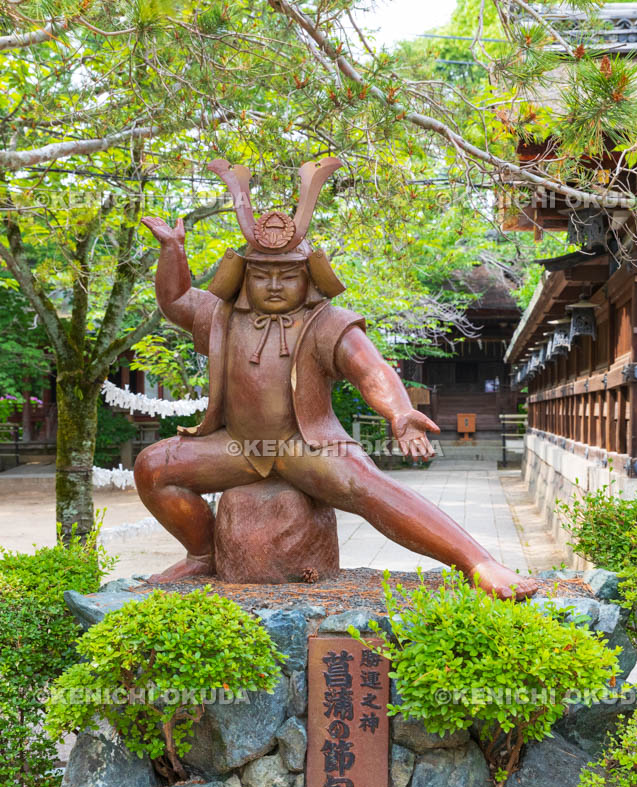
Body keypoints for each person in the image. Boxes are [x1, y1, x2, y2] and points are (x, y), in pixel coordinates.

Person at [135, 157, 537, 601]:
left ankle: (478, 562)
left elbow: (372, 370)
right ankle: (202, 554)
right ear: (242, 276)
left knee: (367, 488)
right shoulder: (220, 315)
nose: (273, 285)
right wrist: (173, 250)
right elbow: (174, 300)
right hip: (237, 446)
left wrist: (400, 411)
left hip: (306, 444)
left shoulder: (328, 323)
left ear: (309, 279)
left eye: (287, 275)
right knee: (154, 469)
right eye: (261, 275)